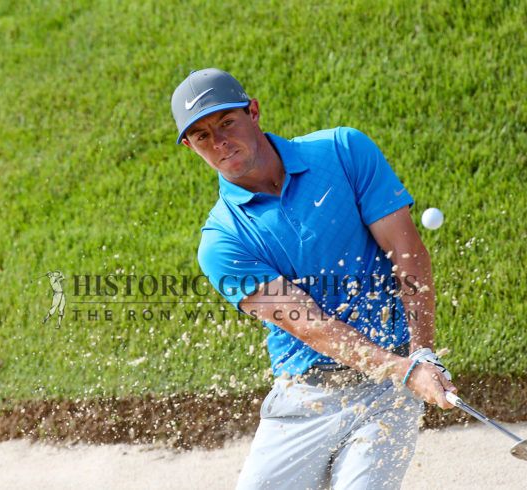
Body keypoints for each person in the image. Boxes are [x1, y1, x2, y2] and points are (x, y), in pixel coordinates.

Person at [171, 68, 457, 489]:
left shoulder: (343, 151)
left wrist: (421, 354)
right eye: (201, 136)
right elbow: (310, 325)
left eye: (226, 122)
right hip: (305, 397)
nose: (219, 142)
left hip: (389, 384)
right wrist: (404, 370)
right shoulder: (221, 242)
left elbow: (407, 254)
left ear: (253, 112)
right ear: (191, 146)